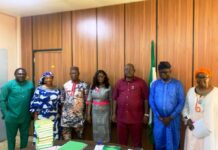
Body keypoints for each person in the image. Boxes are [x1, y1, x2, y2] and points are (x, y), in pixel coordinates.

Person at [149, 61, 185, 150]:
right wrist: (158, 115)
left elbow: (181, 102)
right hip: (159, 120)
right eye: (161, 72)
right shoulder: (155, 84)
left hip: (173, 120)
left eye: (166, 72)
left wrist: (171, 117)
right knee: (159, 142)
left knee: (173, 143)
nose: (163, 74)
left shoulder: (177, 84)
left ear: (170, 71)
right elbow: (151, 101)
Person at [112, 64, 149, 148]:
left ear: (134, 70)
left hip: (136, 119)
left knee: (137, 143)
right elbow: (115, 99)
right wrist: (114, 114)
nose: (128, 70)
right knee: (121, 143)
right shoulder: (119, 83)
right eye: (126, 69)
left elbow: (146, 99)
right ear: (124, 71)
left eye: (130, 69)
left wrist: (146, 114)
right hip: (121, 118)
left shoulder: (141, 82)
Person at [182, 68, 218, 150]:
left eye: (205, 77)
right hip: (193, 130)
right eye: (199, 77)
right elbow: (185, 109)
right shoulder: (191, 91)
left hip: (210, 133)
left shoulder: (216, 93)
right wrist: (187, 120)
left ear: (209, 78)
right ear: (196, 79)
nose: (202, 80)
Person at [0, 68, 34, 150]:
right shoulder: (8, 85)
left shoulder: (30, 84)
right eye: (19, 74)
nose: (21, 75)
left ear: (26, 75)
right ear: (15, 75)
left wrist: (32, 114)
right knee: (11, 137)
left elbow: (33, 99)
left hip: (26, 116)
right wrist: (5, 114)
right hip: (11, 116)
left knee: (25, 136)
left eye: (23, 74)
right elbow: (2, 100)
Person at [30, 72, 61, 143]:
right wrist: (35, 116)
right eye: (47, 78)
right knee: (42, 134)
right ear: (44, 79)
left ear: (52, 79)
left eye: (50, 78)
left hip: (54, 115)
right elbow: (34, 102)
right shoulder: (39, 89)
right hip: (42, 115)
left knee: (52, 134)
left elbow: (59, 103)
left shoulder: (57, 89)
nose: (49, 79)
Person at [61, 66, 89, 140]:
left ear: (79, 73)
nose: (74, 74)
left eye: (76, 73)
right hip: (66, 117)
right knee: (66, 138)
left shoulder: (84, 85)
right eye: (72, 73)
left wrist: (86, 113)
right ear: (69, 74)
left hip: (79, 116)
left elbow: (87, 101)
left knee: (80, 137)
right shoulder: (65, 85)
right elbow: (62, 100)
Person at [87, 70, 112, 143]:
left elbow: (111, 101)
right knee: (96, 128)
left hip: (105, 112)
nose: (100, 78)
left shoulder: (108, 87)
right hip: (95, 112)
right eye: (98, 76)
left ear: (105, 77)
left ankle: (105, 145)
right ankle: (97, 146)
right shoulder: (92, 86)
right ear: (96, 77)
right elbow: (89, 100)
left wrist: (112, 114)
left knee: (105, 128)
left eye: (102, 76)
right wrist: (88, 114)